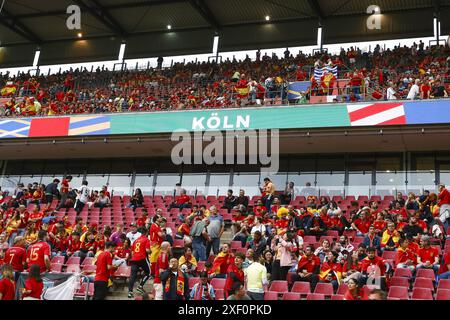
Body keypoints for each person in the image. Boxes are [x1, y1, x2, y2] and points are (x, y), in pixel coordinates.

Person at [128, 227, 151, 298]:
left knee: (132, 275)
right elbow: (147, 250)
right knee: (148, 272)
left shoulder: (136, 240)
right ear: (146, 233)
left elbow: (132, 251)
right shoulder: (146, 239)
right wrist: (151, 251)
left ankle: (130, 292)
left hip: (134, 259)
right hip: (142, 258)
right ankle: (140, 286)